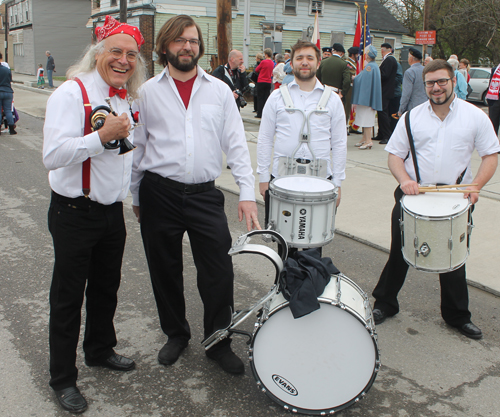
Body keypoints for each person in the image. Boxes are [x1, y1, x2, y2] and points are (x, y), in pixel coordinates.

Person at [130, 14, 260, 376]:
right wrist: (137, 196)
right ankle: (176, 334)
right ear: (165, 46)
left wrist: (247, 194)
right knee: (164, 268)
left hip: (205, 195)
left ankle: (218, 341)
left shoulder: (218, 91)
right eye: (179, 40)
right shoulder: (147, 92)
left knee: (218, 271)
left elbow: (235, 144)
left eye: (193, 41)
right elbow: (139, 148)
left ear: (200, 48)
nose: (187, 47)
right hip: (159, 193)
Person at [42, 16, 146, 413]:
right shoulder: (72, 93)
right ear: (97, 53)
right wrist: (100, 137)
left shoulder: (124, 98)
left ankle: (100, 349)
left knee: (106, 288)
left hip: (110, 213)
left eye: (131, 55)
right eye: (115, 52)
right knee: (67, 298)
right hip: (73, 210)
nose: (123, 60)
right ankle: (62, 379)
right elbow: (52, 156)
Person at [371, 59, 500, 340]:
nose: (436, 87)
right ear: (424, 85)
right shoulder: (411, 117)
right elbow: (395, 155)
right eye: (431, 83)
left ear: (454, 81)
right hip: (414, 195)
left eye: (442, 81)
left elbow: (491, 154)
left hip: (454, 198)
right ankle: (385, 304)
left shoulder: (475, 116)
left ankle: (457, 316)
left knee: (453, 257)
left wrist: (476, 185)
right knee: (400, 252)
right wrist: (404, 180)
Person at [351, 45, 382, 150]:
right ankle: (364, 138)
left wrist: (354, 78)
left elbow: (365, 83)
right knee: (364, 118)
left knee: (366, 119)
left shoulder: (370, 67)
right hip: (369, 98)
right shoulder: (373, 66)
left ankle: (368, 140)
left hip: (366, 99)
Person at [376, 43, 398, 144]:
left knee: (383, 112)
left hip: (386, 90)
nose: (381, 52)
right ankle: (381, 133)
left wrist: (376, 73)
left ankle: (386, 135)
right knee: (381, 112)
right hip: (385, 90)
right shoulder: (388, 59)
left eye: (382, 50)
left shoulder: (389, 59)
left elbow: (385, 75)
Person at [398, 47, 427, 116]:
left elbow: (406, 94)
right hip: (425, 105)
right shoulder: (426, 70)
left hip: (413, 107)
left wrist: (401, 110)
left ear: (411, 59)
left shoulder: (409, 72)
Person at [254, 48, 274, 118]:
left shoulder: (263, 62)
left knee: (260, 98)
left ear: (266, 54)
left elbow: (256, 69)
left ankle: (260, 113)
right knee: (266, 98)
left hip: (261, 81)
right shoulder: (272, 62)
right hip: (268, 81)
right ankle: (266, 113)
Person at [0, 63, 17, 135]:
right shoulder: (7, 69)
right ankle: (11, 129)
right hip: (8, 91)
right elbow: (10, 80)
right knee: (8, 110)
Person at [345, 46, 359, 131]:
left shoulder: (356, 63)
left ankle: (352, 126)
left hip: (355, 87)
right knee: (347, 107)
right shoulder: (348, 63)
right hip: (349, 87)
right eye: (357, 54)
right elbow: (350, 75)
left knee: (353, 108)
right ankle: (345, 126)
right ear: (353, 54)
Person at [486, 62, 500, 136]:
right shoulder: (495, 69)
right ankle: (493, 142)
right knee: (493, 123)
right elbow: (491, 82)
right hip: (495, 98)